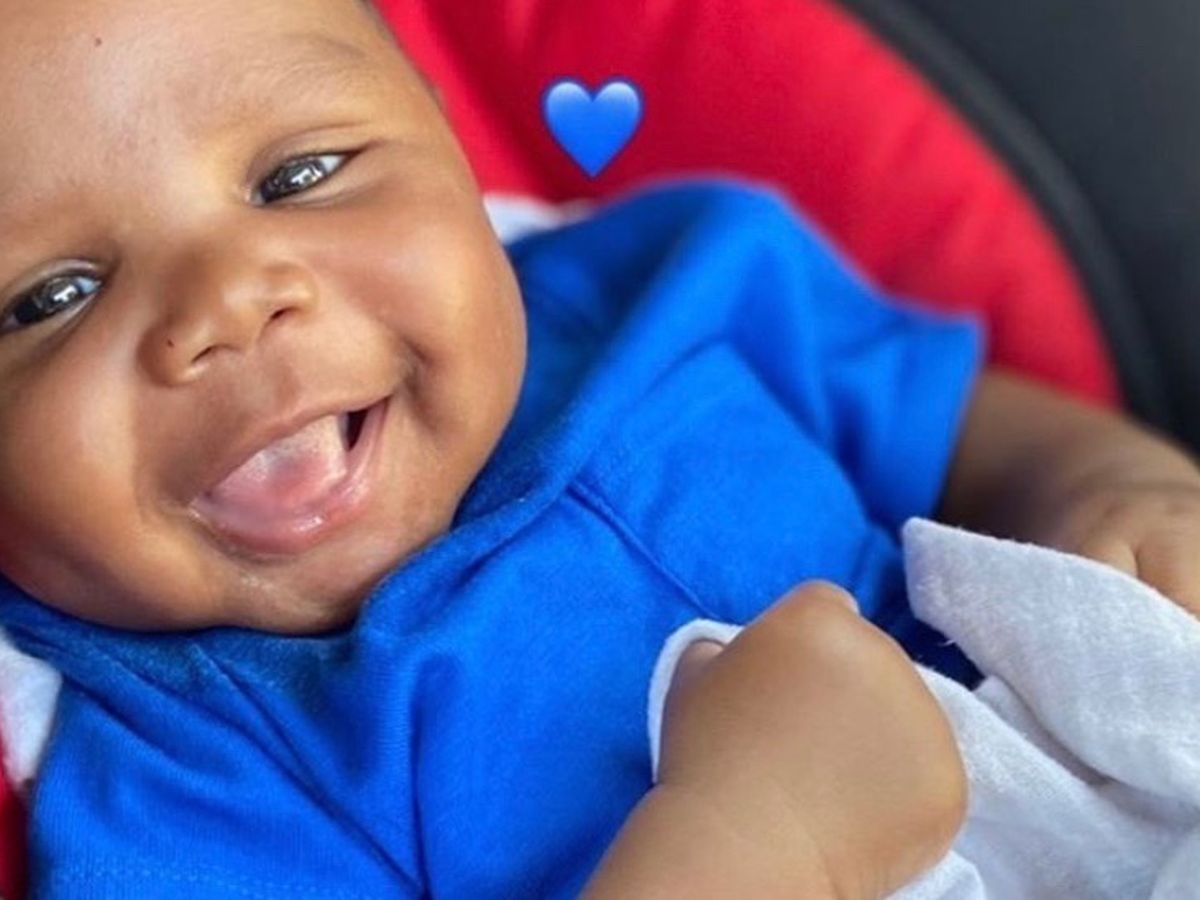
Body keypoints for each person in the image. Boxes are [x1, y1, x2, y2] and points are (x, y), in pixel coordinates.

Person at [0, 0, 1199, 895]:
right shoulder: (180, 791)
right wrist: (755, 844)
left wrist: (1106, 484)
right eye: (48, 298)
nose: (226, 302)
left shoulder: (671, 290)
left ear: (449, 151)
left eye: (299, 175)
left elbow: (954, 425)